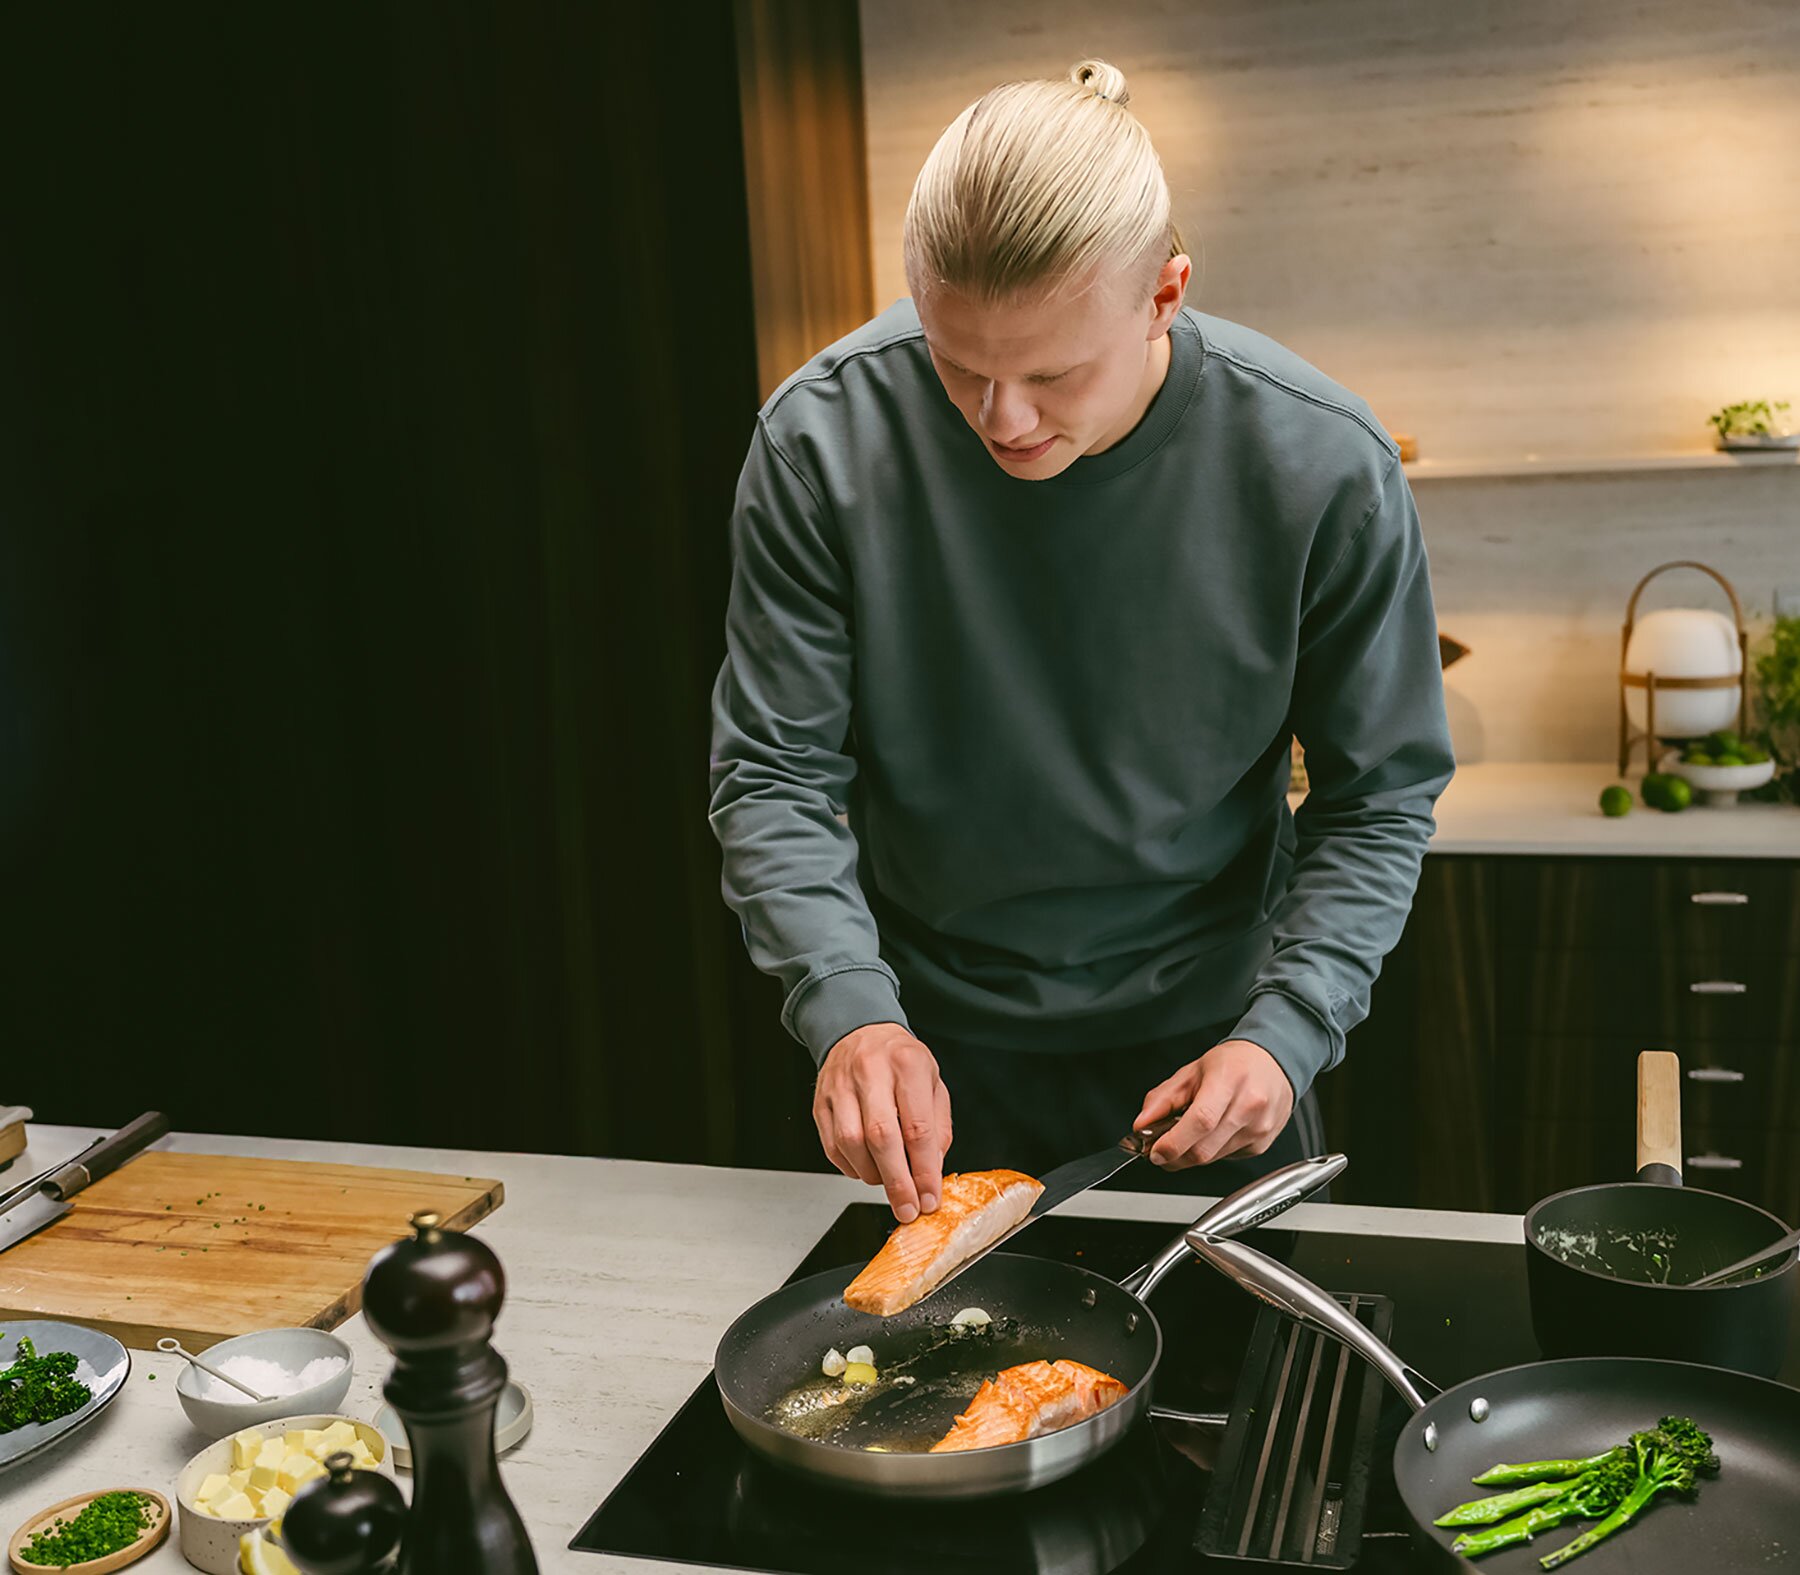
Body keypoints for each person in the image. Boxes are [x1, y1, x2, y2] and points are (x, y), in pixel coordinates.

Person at [709, 59, 1454, 1222]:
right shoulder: (821, 442)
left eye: (1053, 374)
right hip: (919, 1057)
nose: (1002, 421)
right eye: (957, 364)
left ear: (1166, 293)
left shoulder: (1321, 464)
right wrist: (847, 1007)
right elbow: (774, 774)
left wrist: (1290, 1027)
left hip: (1213, 1052)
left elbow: (1379, 796)